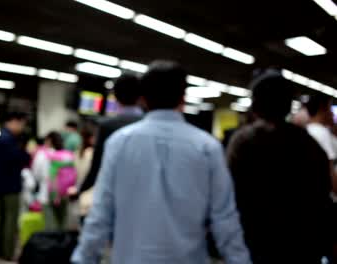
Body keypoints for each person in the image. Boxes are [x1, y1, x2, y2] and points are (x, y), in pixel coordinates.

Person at [72, 61, 251, 264]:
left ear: (143, 99)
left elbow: (101, 212)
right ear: (183, 97)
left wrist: (84, 257)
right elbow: (224, 218)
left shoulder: (119, 143)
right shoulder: (207, 147)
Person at [227, 70, 334, 263]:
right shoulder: (308, 143)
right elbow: (322, 196)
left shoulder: (243, 142)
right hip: (302, 246)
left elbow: (229, 195)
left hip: (255, 243)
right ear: (288, 104)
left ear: (255, 106)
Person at [77, 73, 143, 196]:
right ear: (141, 96)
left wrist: (80, 190)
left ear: (115, 95)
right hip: (144, 192)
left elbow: (97, 167)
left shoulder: (107, 126)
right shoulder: (148, 123)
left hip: (116, 191)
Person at [0, 112, 30, 261]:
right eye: (21, 124)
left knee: (0, 219)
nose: (22, 128)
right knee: (10, 220)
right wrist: (26, 153)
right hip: (10, 185)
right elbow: (20, 159)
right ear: (14, 121)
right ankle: (8, 253)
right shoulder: (9, 140)